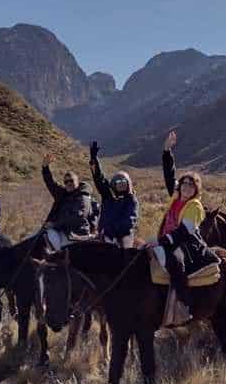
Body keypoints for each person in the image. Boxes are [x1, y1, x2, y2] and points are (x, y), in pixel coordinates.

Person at [149, 130, 215, 316]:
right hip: (168, 239)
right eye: (184, 184)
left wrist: (161, 241)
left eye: (191, 185)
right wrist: (166, 152)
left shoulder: (195, 206)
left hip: (186, 245)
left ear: (196, 189)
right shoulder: (177, 197)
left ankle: (184, 303)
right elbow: (170, 176)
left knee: (174, 262)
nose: (186, 187)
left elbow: (184, 232)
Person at [41, 153, 96, 250]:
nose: (69, 183)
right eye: (66, 182)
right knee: (38, 238)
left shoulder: (83, 197)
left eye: (71, 181)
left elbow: (76, 217)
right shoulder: (64, 194)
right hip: (62, 230)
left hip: (77, 233)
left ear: (77, 182)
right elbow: (51, 183)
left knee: (57, 251)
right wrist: (45, 168)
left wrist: (54, 224)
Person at [89, 142, 139, 248]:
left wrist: (111, 230)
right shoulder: (108, 196)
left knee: (123, 255)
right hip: (104, 234)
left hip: (122, 236)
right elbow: (99, 179)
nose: (121, 184)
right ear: (113, 185)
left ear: (128, 184)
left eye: (123, 182)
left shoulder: (131, 200)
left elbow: (129, 222)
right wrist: (94, 159)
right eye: (118, 182)